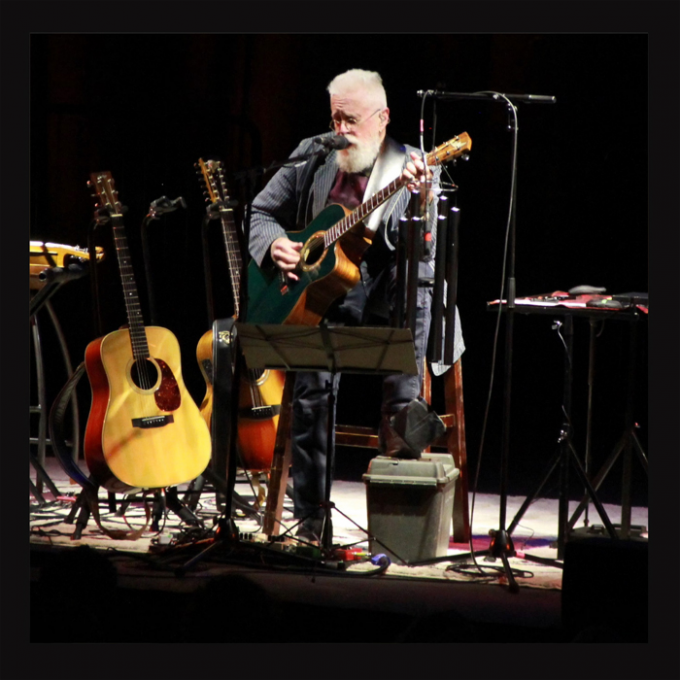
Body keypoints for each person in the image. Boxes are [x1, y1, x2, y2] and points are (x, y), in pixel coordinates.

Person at [248, 69, 464, 541]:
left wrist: (421, 196)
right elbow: (261, 211)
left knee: (417, 281)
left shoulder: (410, 164)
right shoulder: (315, 152)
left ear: (382, 119)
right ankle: (310, 522)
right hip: (326, 286)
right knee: (310, 392)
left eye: (350, 120)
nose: (340, 131)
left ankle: (400, 496)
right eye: (334, 119)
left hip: (393, 286)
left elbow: (425, 248)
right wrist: (276, 246)